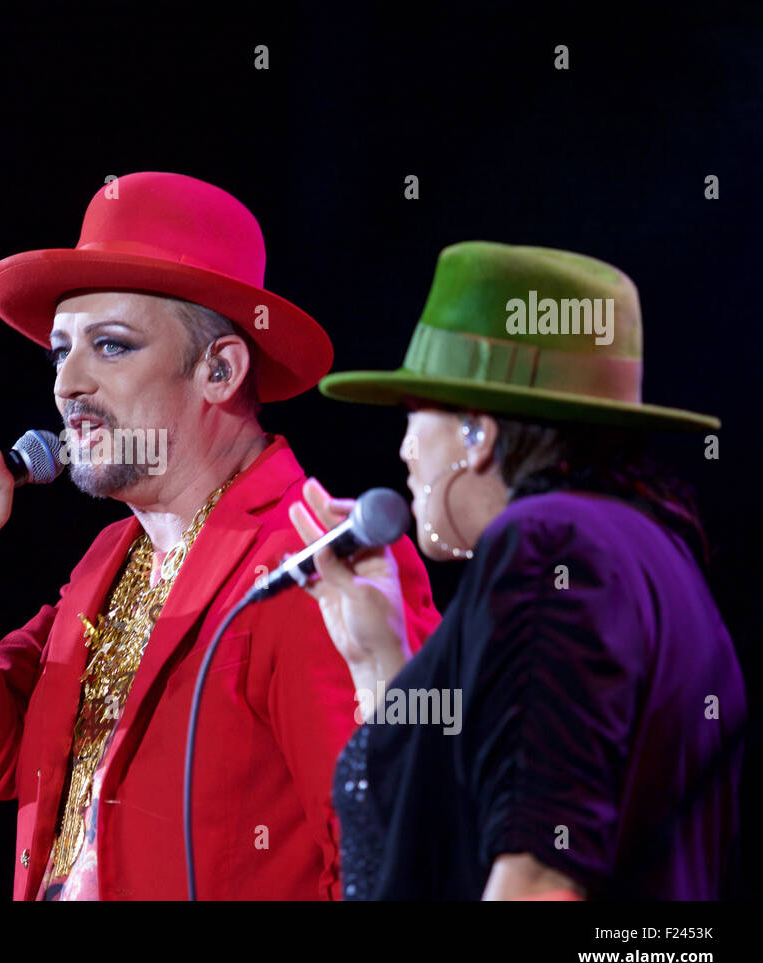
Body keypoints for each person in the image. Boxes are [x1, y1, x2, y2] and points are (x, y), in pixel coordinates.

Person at [0, 171, 441, 900]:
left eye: (110, 347)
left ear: (220, 368)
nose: (66, 384)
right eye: (60, 351)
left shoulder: (315, 558)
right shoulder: (113, 557)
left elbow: (385, 858)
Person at [291, 241, 745, 899]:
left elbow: (538, 877)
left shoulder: (548, 543)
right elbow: (470, 800)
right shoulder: (652, 550)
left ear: (478, 433)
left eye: (414, 413)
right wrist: (380, 653)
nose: (403, 450)